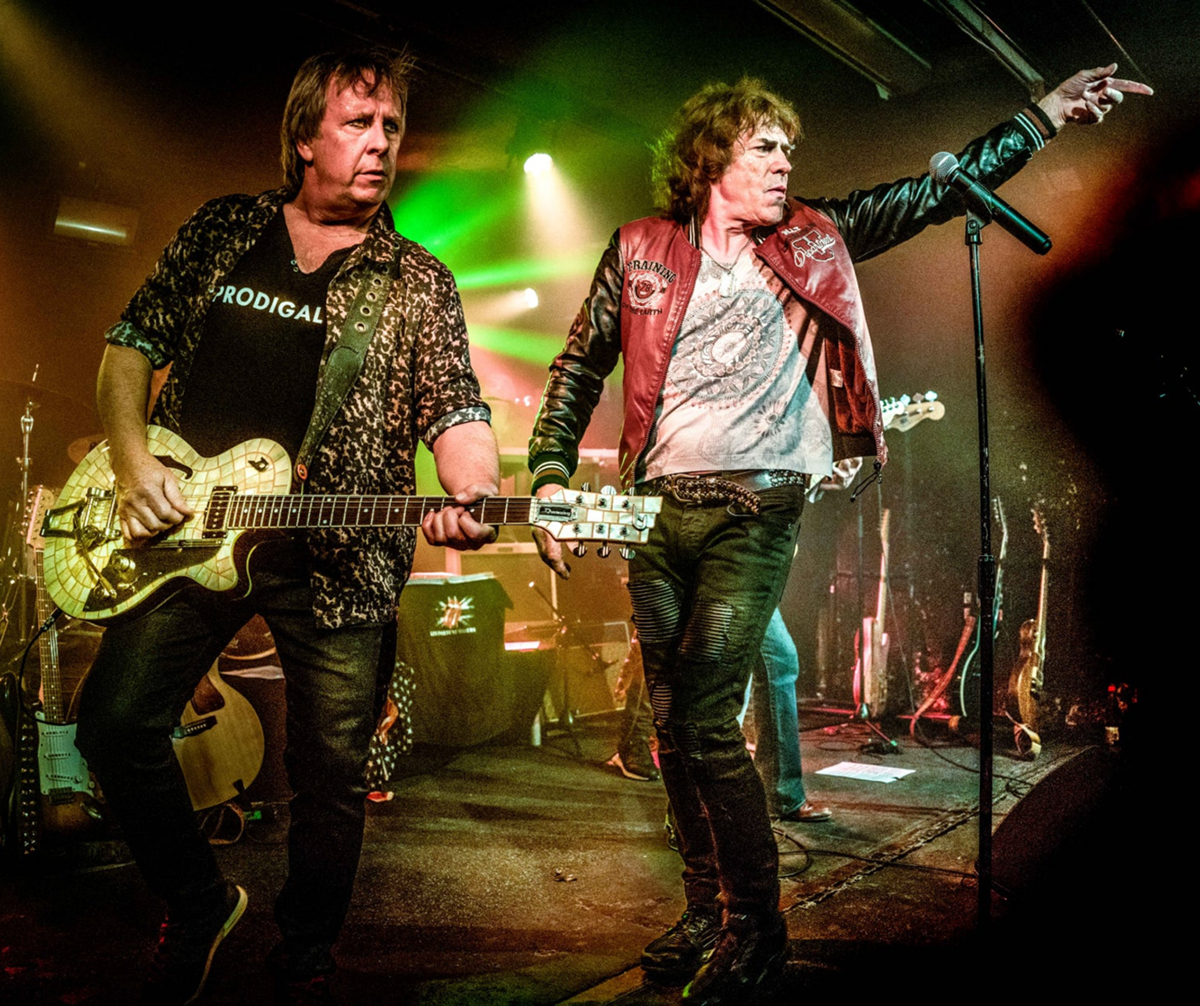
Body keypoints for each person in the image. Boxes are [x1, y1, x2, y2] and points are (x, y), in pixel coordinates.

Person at [528, 64, 1150, 1004]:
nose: (786, 162)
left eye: (790, 148)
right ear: (710, 158)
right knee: (672, 724)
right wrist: (546, 468)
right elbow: (580, 363)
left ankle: (756, 928)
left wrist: (1045, 116)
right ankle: (704, 907)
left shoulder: (816, 235)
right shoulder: (640, 248)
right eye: (765, 147)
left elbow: (936, 193)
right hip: (656, 510)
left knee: (705, 717)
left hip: (758, 507)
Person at [74, 47, 499, 1005]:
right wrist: (135, 463)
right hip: (193, 530)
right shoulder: (224, 230)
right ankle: (198, 902)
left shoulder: (415, 280)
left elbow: (456, 411)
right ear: (306, 136)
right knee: (114, 722)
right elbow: (128, 349)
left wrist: (474, 490)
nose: (381, 143)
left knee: (331, 775)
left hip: (339, 559)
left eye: (392, 127)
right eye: (359, 123)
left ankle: (304, 955)